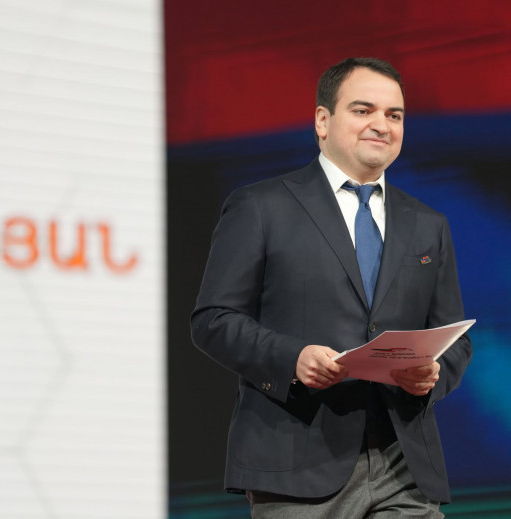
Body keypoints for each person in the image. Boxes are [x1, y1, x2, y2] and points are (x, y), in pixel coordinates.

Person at [191, 57, 473, 518]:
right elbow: (213, 320)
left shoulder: (428, 225)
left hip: (404, 465)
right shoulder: (260, 206)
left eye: (394, 115)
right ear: (323, 121)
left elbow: (455, 339)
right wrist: (292, 358)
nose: (381, 124)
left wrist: (431, 375)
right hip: (296, 462)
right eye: (363, 110)